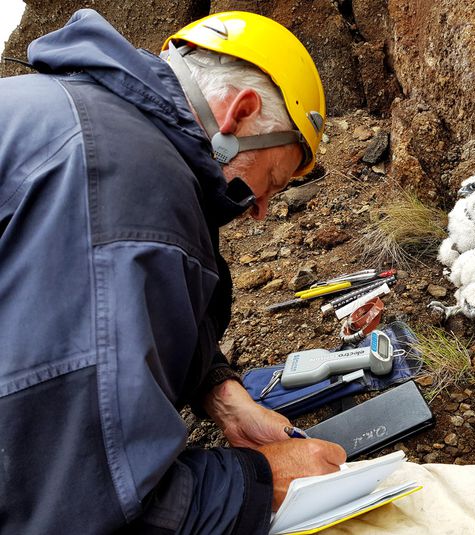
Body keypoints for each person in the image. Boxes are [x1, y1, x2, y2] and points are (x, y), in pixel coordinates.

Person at [0, 8, 345, 534]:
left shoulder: (82, 114)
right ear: (240, 113)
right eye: (271, 181)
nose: (260, 211)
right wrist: (260, 479)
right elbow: (72, 500)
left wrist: (220, 394)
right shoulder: (128, 192)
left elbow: (111, 319)